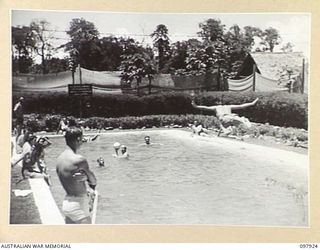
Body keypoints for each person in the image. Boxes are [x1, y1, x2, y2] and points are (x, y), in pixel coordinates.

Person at [56, 126, 97, 224]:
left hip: (67, 202)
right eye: (82, 138)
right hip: (79, 204)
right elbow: (94, 181)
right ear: (78, 139)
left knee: (71, 237)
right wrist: (87, 177)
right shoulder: (79, 159)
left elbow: (69, 178)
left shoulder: (59, 159)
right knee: (87, 237)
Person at [191, 98, 259, 135]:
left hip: (225, 119)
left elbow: (205, 107)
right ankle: (248, 127)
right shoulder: (229, 106)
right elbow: (241, 106)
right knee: (243, 120)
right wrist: (252, 103)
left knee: (221, 121)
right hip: (231, 118)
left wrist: (196, 106)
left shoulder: (216, 107)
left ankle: (226, 131)